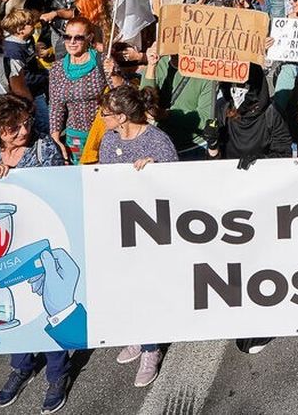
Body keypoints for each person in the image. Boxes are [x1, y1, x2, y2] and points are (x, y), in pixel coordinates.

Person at [0, 95, 70, 413]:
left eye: (26, 123)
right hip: (1, 246)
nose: (23, 131)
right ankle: (21, 366)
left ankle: (57, 374)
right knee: (12, 309)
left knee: (46, 308)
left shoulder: (44, 149)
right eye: (13, 128)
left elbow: (58, 192)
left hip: (39, 243)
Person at [97, 84, 177, 386]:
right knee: (127, 286)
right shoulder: (108, 140)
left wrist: (157, 170)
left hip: (152, 229)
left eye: (105, 114)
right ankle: (136, 334)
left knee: (148, 287)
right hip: (121, 226)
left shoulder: (157, 141)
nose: (101, 118)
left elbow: (178, 185)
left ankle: (150, 348)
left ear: (121, 116)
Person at [49, 17, 107, 162]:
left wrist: (114, 74)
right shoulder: (57, 68)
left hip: (103, 133)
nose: (72, 42)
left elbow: (123, 95)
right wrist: (55, 138)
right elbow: (56, 106)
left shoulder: (103, 61)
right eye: (67, 37)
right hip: (74, 138)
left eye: (78, 37)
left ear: (89, 38)